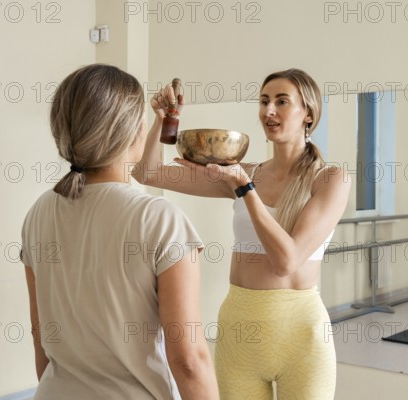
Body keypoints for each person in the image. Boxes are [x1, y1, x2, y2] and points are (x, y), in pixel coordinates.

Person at [133, 68, 351, 399]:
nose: (269, 111)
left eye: (281, 101)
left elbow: (286, 261)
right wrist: (162, 119)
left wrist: (243, 188)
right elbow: (146, 173)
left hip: (302, 335)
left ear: (309, 113)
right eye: (264, 101)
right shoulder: (246, 173)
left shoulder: (330, 179)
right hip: (239, 327)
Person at [20, 64, 219, 400]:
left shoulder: (38, 212)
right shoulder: (160, 219)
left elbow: (42, 342)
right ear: (132, 130)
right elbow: (188, 361)